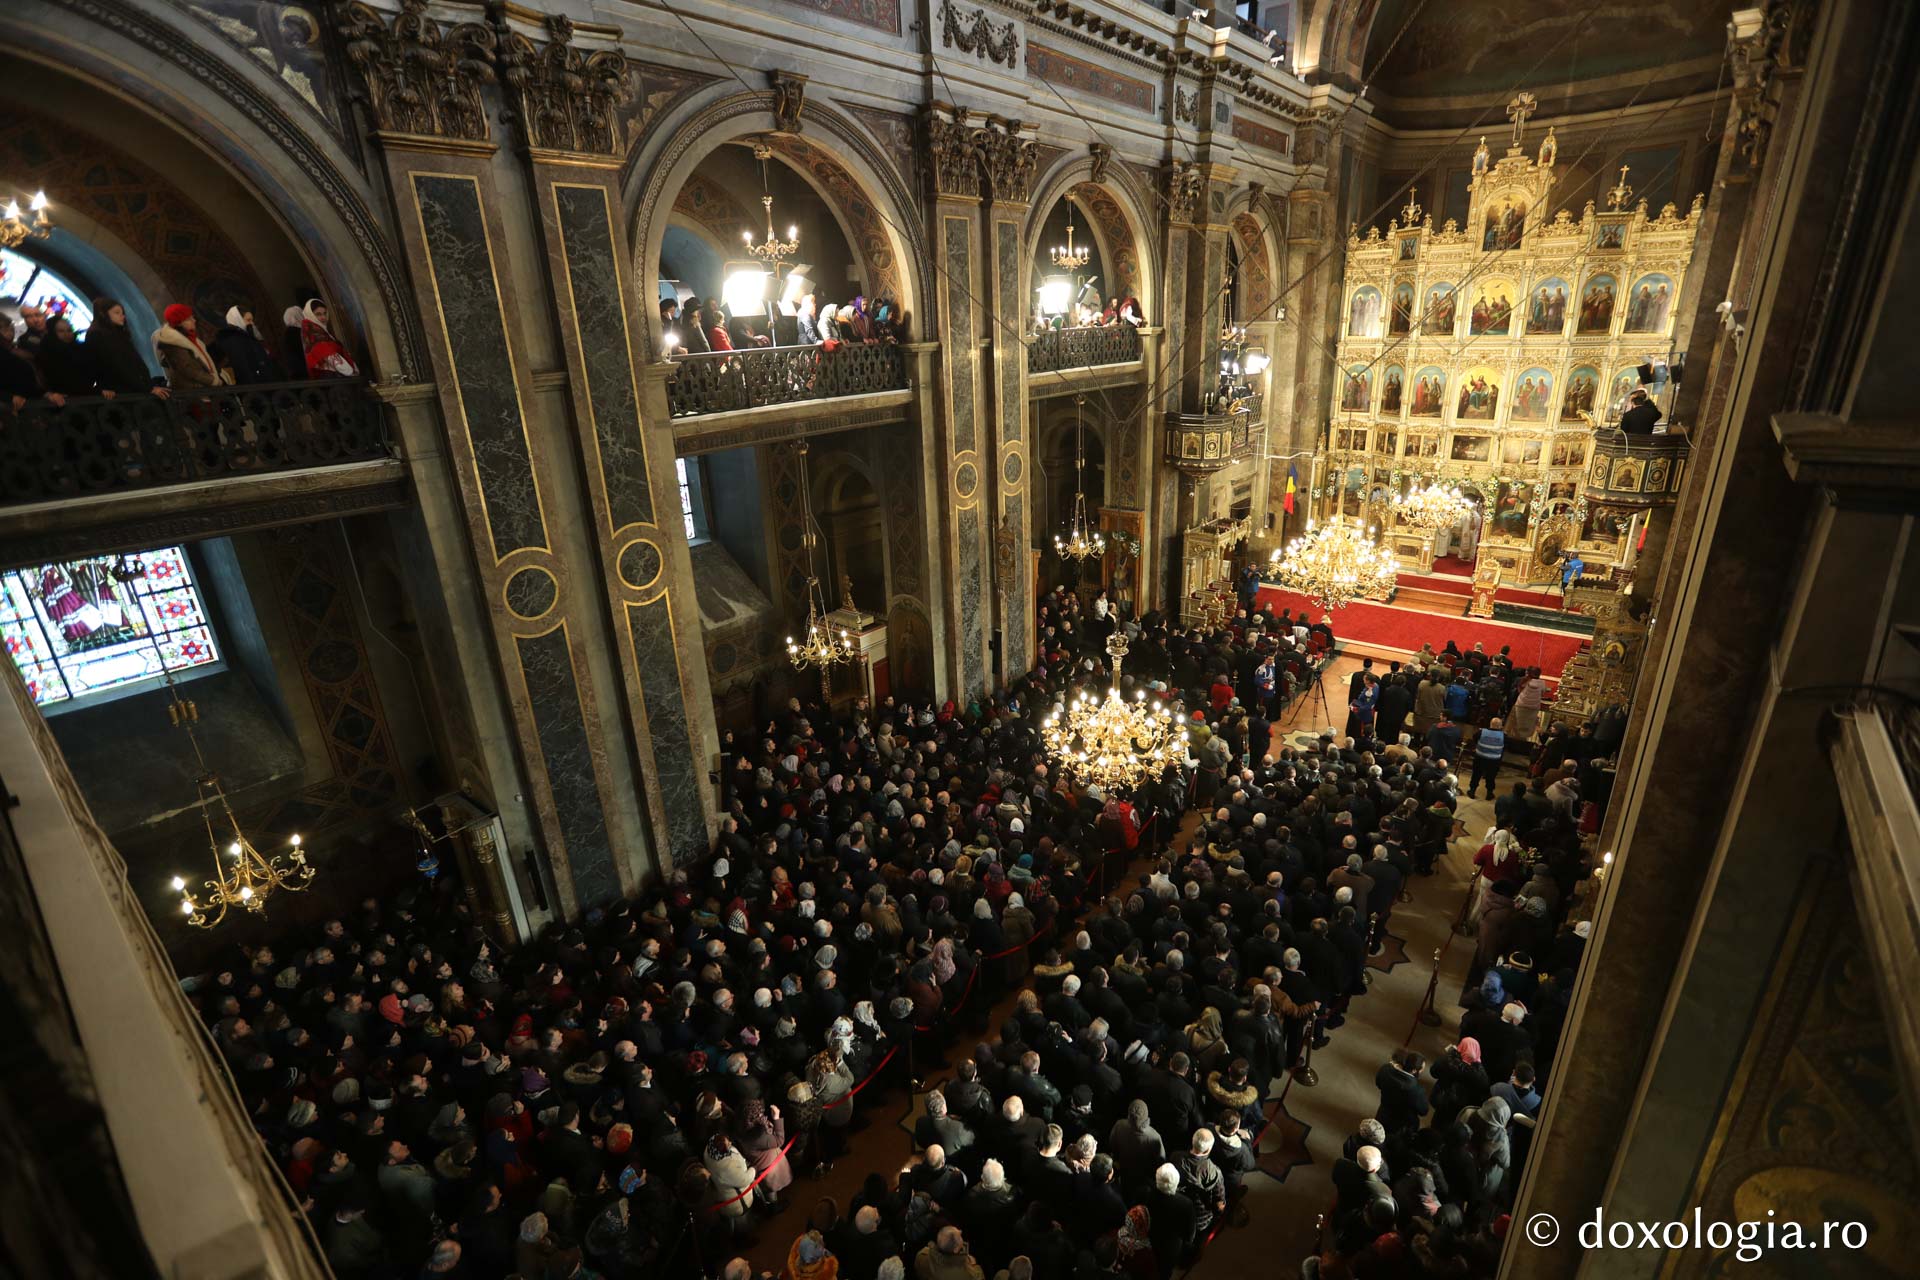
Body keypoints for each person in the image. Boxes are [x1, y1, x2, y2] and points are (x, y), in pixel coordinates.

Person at [85, 299, 168, 399]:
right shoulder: (97, 334)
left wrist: (148, 384)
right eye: (117, 313)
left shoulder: (119, 334)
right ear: (103, 314)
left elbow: (135, 362)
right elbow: (116, 365)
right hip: (117, 392)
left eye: (122, 313)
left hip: (133, 389)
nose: (122, 316)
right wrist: (147, 388)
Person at [154, 304, 221, 389]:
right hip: (191, 391)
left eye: (192, 317)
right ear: (179, 323)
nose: (194, 320)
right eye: (189, 319)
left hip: (202, 388)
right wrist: (212, 381)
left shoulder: (192, 339)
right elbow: (187, 369)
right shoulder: (172, 342)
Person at [211, 305, 283, 383]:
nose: (252, 323)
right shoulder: (234, 340)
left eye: (252, 320)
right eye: (248, 320)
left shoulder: (247, 337)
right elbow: (244, 368)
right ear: (238, 320)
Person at [300, 299, 359, 378]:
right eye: (318, 314)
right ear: (310, 315)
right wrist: (351, 373)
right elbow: (329, 355)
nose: (323, 317)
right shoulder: (313, 333)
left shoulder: (322, 331)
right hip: (334, 379)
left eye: (325, 313)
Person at [1468, 717, 1507, 799]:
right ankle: (1489, 793)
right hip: (1494, 760)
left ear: (1490, 724)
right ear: (1500, 726)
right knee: (1491, 777)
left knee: (1476, 775)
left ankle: (1472, 791)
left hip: (1480, 757)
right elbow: (1507, 746)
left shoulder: (1481, 732)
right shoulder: (1503, 736)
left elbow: (1474, 738)